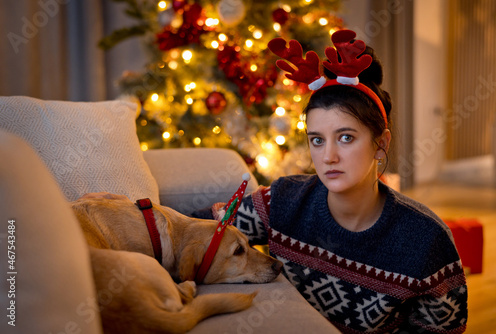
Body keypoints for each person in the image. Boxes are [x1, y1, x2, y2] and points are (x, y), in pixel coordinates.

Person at [192, 30, 468, 333]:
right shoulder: (283, 200)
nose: (328, 157)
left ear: (381, 144)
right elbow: (200, 230)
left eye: (346, 138)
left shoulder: (427, 240)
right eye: (317, 140)